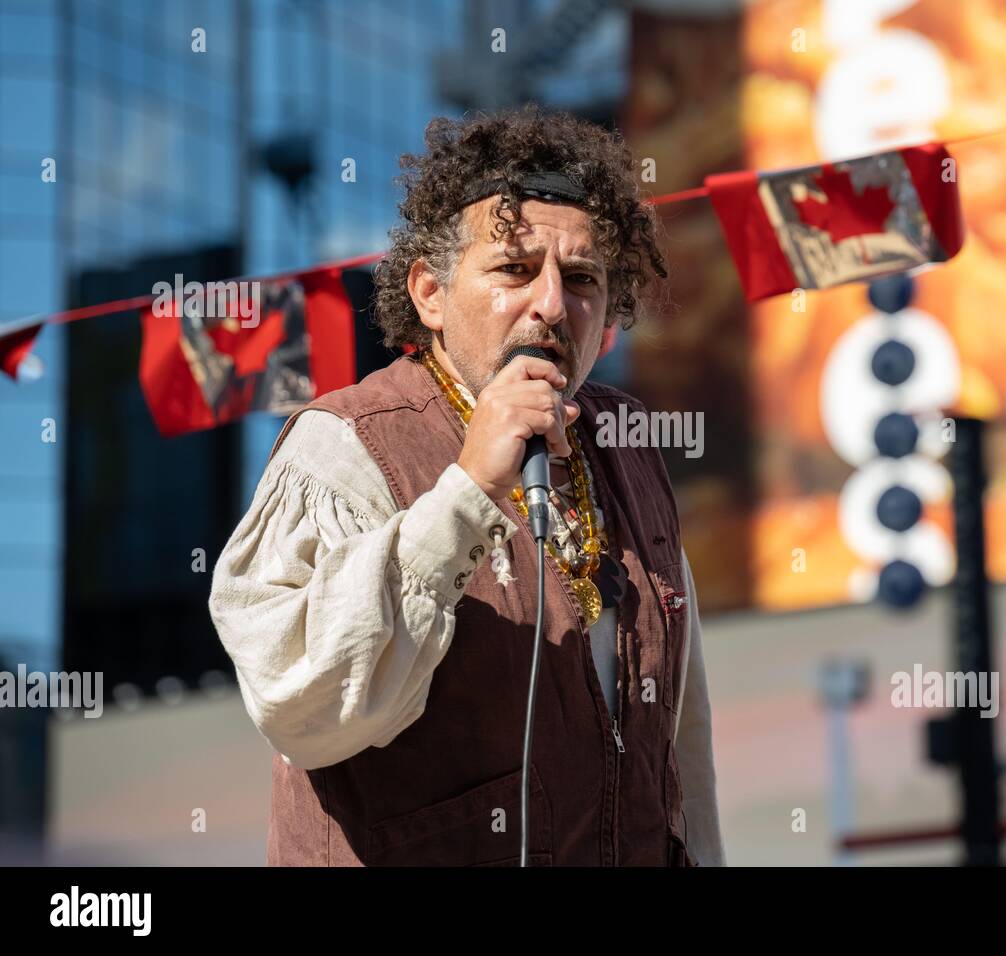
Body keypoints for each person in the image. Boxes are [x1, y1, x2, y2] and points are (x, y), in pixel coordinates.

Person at [208, 105, 725, 867]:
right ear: (430, 294)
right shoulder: (346, 445)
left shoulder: (628, 445)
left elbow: (686, 745)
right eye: (515, 269)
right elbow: (298, 703)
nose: (552, 303)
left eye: (581, 277)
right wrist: (467, 488)